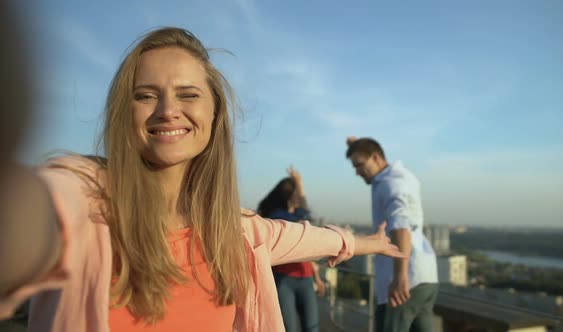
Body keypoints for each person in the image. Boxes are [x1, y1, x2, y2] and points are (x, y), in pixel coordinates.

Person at [0, 27, 408, 332]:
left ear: (214, 116)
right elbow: (35, 213)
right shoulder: (83, 195)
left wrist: (362, 243)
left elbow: (299, 237)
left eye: (188, 95)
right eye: (145, 95)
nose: (167, 110)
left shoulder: (232, 232)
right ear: (123, 111)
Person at [345, 137, 438, 332]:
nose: (357, 172)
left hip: (404, 281)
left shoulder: (391, 183)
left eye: (360, 165)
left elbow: (401, 225)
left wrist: (400, 276)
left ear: (376, 157)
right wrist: (356, 145)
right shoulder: (403, 176)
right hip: (426, 278)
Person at [257, 167, 325, 332]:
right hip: (284, 279)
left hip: (305, 277)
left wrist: (317, 277)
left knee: (312, 327)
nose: (300, 197)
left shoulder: (295, 214)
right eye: (298, 193)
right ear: (290, 195)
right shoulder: (277, 216)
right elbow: (306, 220)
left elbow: (307, 248)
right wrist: (299, 183)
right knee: (288, 328)